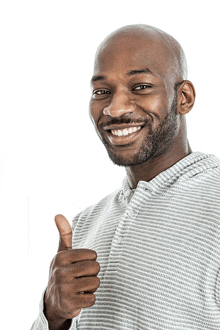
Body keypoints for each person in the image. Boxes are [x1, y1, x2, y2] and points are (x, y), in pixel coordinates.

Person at [31, 24, 220, 330]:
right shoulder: (84, 224)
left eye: (140, 87)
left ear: (184, 97)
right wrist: (53, 315)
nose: (115, 109)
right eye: (101, 92)